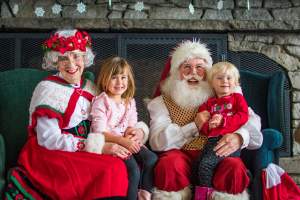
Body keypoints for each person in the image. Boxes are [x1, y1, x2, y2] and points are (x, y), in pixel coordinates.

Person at [4, 29, 148, 200]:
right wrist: (99, 147)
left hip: (88, 146)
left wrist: (136, 131)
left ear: (84, 59)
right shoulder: (47, 89)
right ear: (55, 62)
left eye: (76, 56)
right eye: (63, 58)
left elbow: (117, 113)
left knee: (121, 163)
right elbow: (48, 139)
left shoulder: (91, 87)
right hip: (52, 152)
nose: (71, 64)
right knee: (111, 168)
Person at [147, 40, 263, 200]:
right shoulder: (161, 102)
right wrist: (194, 125)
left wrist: (239, 136)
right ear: (176, 72)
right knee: (169, 164)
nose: (193, 72)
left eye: (199, 67)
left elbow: (253, 125)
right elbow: (157, 142)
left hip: (218, 153)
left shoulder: (225, 92)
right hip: (182, 155)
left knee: (234, 166)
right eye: (186, 67)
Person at [90, 56, 157, 200]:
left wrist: (133, 135)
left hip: (126, 141)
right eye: (114, 77)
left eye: (123, 77)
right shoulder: (101, 102)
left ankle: (145, 194)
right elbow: (99, 132)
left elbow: (131, 125)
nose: (120, 82)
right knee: (133, 170)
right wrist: (123, 141)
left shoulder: (129, 101)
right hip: (110, 143)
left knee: (151, 158)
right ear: (105, 79)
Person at [195, 61, 249, 199]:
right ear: (212, 83)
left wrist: (223, 121)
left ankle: (204, 196)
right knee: (197, 164)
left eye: (229, 78)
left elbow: (243, 116)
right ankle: (202, 191)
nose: (224, 81)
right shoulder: (208, 103)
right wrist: (208, 125)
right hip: (211, 142)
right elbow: (203, 129)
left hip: (227, 142)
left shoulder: (237, 99)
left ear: (236, 82)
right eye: (219, 78)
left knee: (206, 165)